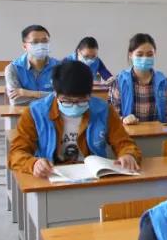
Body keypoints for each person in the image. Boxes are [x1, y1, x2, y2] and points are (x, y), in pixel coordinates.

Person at [7, 60, 141, 179]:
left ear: (90, 94)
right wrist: (34, 164)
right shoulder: (35, 113)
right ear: (55, 93)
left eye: (82, 100)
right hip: (52, 175)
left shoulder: (103, 110)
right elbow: (16, 153)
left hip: (93, 177)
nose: (75, 105)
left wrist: (128, 155)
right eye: (67, 101)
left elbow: (124, 142)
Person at [108, 33, 167, 125]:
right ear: (130, 55)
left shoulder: (163, 81)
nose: (145, 58)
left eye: (149, 54)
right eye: (140, 54)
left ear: (155, 54)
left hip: (158, 132)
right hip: (129, 132)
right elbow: (112, 117)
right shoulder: (119, 82)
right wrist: (124, 119)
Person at [5, 24, 60, 106]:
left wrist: (31, 93)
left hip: (53, 112)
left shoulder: (60, 67)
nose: (41, 45)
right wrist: (51, 97)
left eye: (45, 41)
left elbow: (66, 97)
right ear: (25, 46)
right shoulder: (13, 68)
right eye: (35, 42)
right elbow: (16, 100)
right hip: (24, 112)